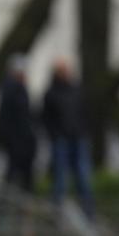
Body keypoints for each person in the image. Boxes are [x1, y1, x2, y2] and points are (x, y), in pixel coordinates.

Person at [42, 59, 94, 218]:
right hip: (61, 140)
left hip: (78, 138)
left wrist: (83, 131)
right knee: (60, 177)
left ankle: (89, 212)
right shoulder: (51, 93)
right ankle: (58, 211)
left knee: (83, 176)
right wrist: (54, 135)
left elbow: (85, 113)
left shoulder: (77, 90)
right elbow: (45, 118)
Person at [0, 55, 37, 193]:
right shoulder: (13, 89)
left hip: (21, 140)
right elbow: (11, 117)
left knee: (18, 174)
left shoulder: (17, 89)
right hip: (17, 141)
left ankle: (17, 205)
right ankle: (9, 205)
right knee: (14, 174)